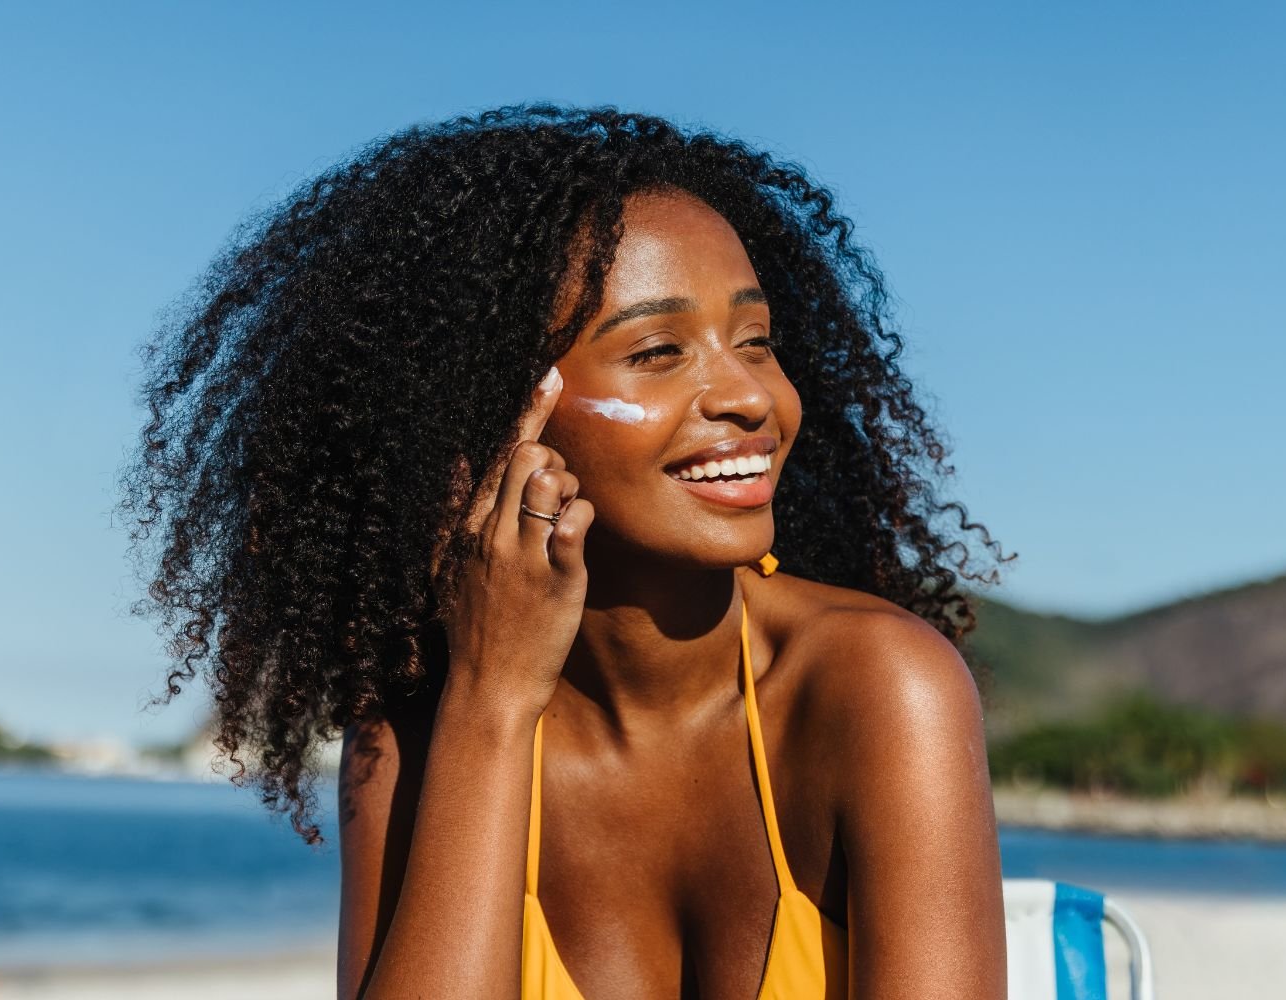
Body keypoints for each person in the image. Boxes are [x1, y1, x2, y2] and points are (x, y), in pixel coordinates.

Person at [121, 104, 1013, 999]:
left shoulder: (880, 689)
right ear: (493, 414)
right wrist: (493, 707)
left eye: (756, 341)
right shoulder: (415, 739)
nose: (748, 396)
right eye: (659, 351)